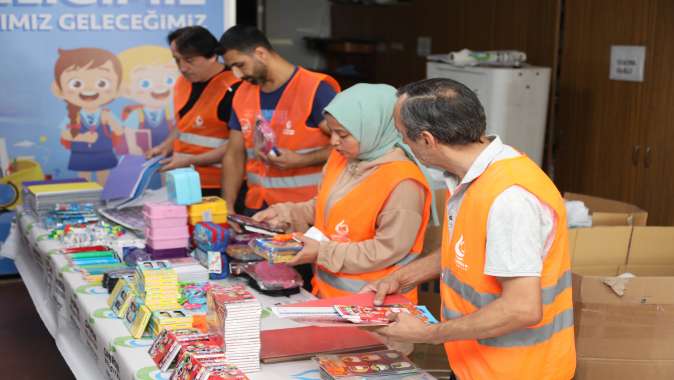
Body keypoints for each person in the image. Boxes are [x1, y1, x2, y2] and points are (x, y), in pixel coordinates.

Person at [363, 78, 576, 380]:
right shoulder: (472, 175)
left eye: (403, 137)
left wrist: (428, 334)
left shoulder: (508, 198)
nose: (403, 146)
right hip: (473, 363)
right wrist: (406, 276)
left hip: (516, 372)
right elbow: (467, 249)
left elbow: (522, 309)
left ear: (426, 140)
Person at [253, 83, 435, 302]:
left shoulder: (403, 182)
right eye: (332, 133)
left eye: (343, 134)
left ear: (372, 128)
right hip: (327, 293)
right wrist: (286, 214)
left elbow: (386, 250)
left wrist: (322, 253)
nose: (333, 142)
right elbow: (327, 205)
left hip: (375, 304)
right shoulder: (343, 158)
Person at [218, 25, 340, 215]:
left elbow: (351, 144)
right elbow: (234, 154)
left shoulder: (315, 89)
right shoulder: (242, 93)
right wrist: (228, 206)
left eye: (240, 65)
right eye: (231, 68)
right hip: (257, 208)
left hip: (305, 211)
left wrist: (302, 160)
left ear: (261, 53)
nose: (237, 75)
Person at [147, 26, 240, 195]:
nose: (182, 68)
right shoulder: (183, 82)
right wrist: (166, 145)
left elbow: (240, 145)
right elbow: (184, 122)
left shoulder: (236, 89)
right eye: (177, 60)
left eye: (189, 60)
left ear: (212, 56)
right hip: (183, 180)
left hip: (219, 186)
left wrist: (192, 160)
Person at [52, 47, 125, 185]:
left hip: (103, 152)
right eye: (76, 83)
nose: (89, 89)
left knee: (104, 179)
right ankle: (85, 202)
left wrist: (113, 124)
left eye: (101, 83)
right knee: (83, 180)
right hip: (81, 154)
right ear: (59, 90)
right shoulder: (72, 116)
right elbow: (65, 135)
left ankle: (105, 200)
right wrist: (81, 137)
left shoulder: (106, 115)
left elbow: (120, 131)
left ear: (118, 89)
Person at [117, 45, 179, 154]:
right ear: (127, 90)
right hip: (144, 155)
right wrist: (133, 146)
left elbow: (179, 131)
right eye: (145, 83)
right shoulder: (137, 115)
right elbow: (129, 132)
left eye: (168, 80)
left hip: (169, 154)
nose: (159, 87)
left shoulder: (171, 113)